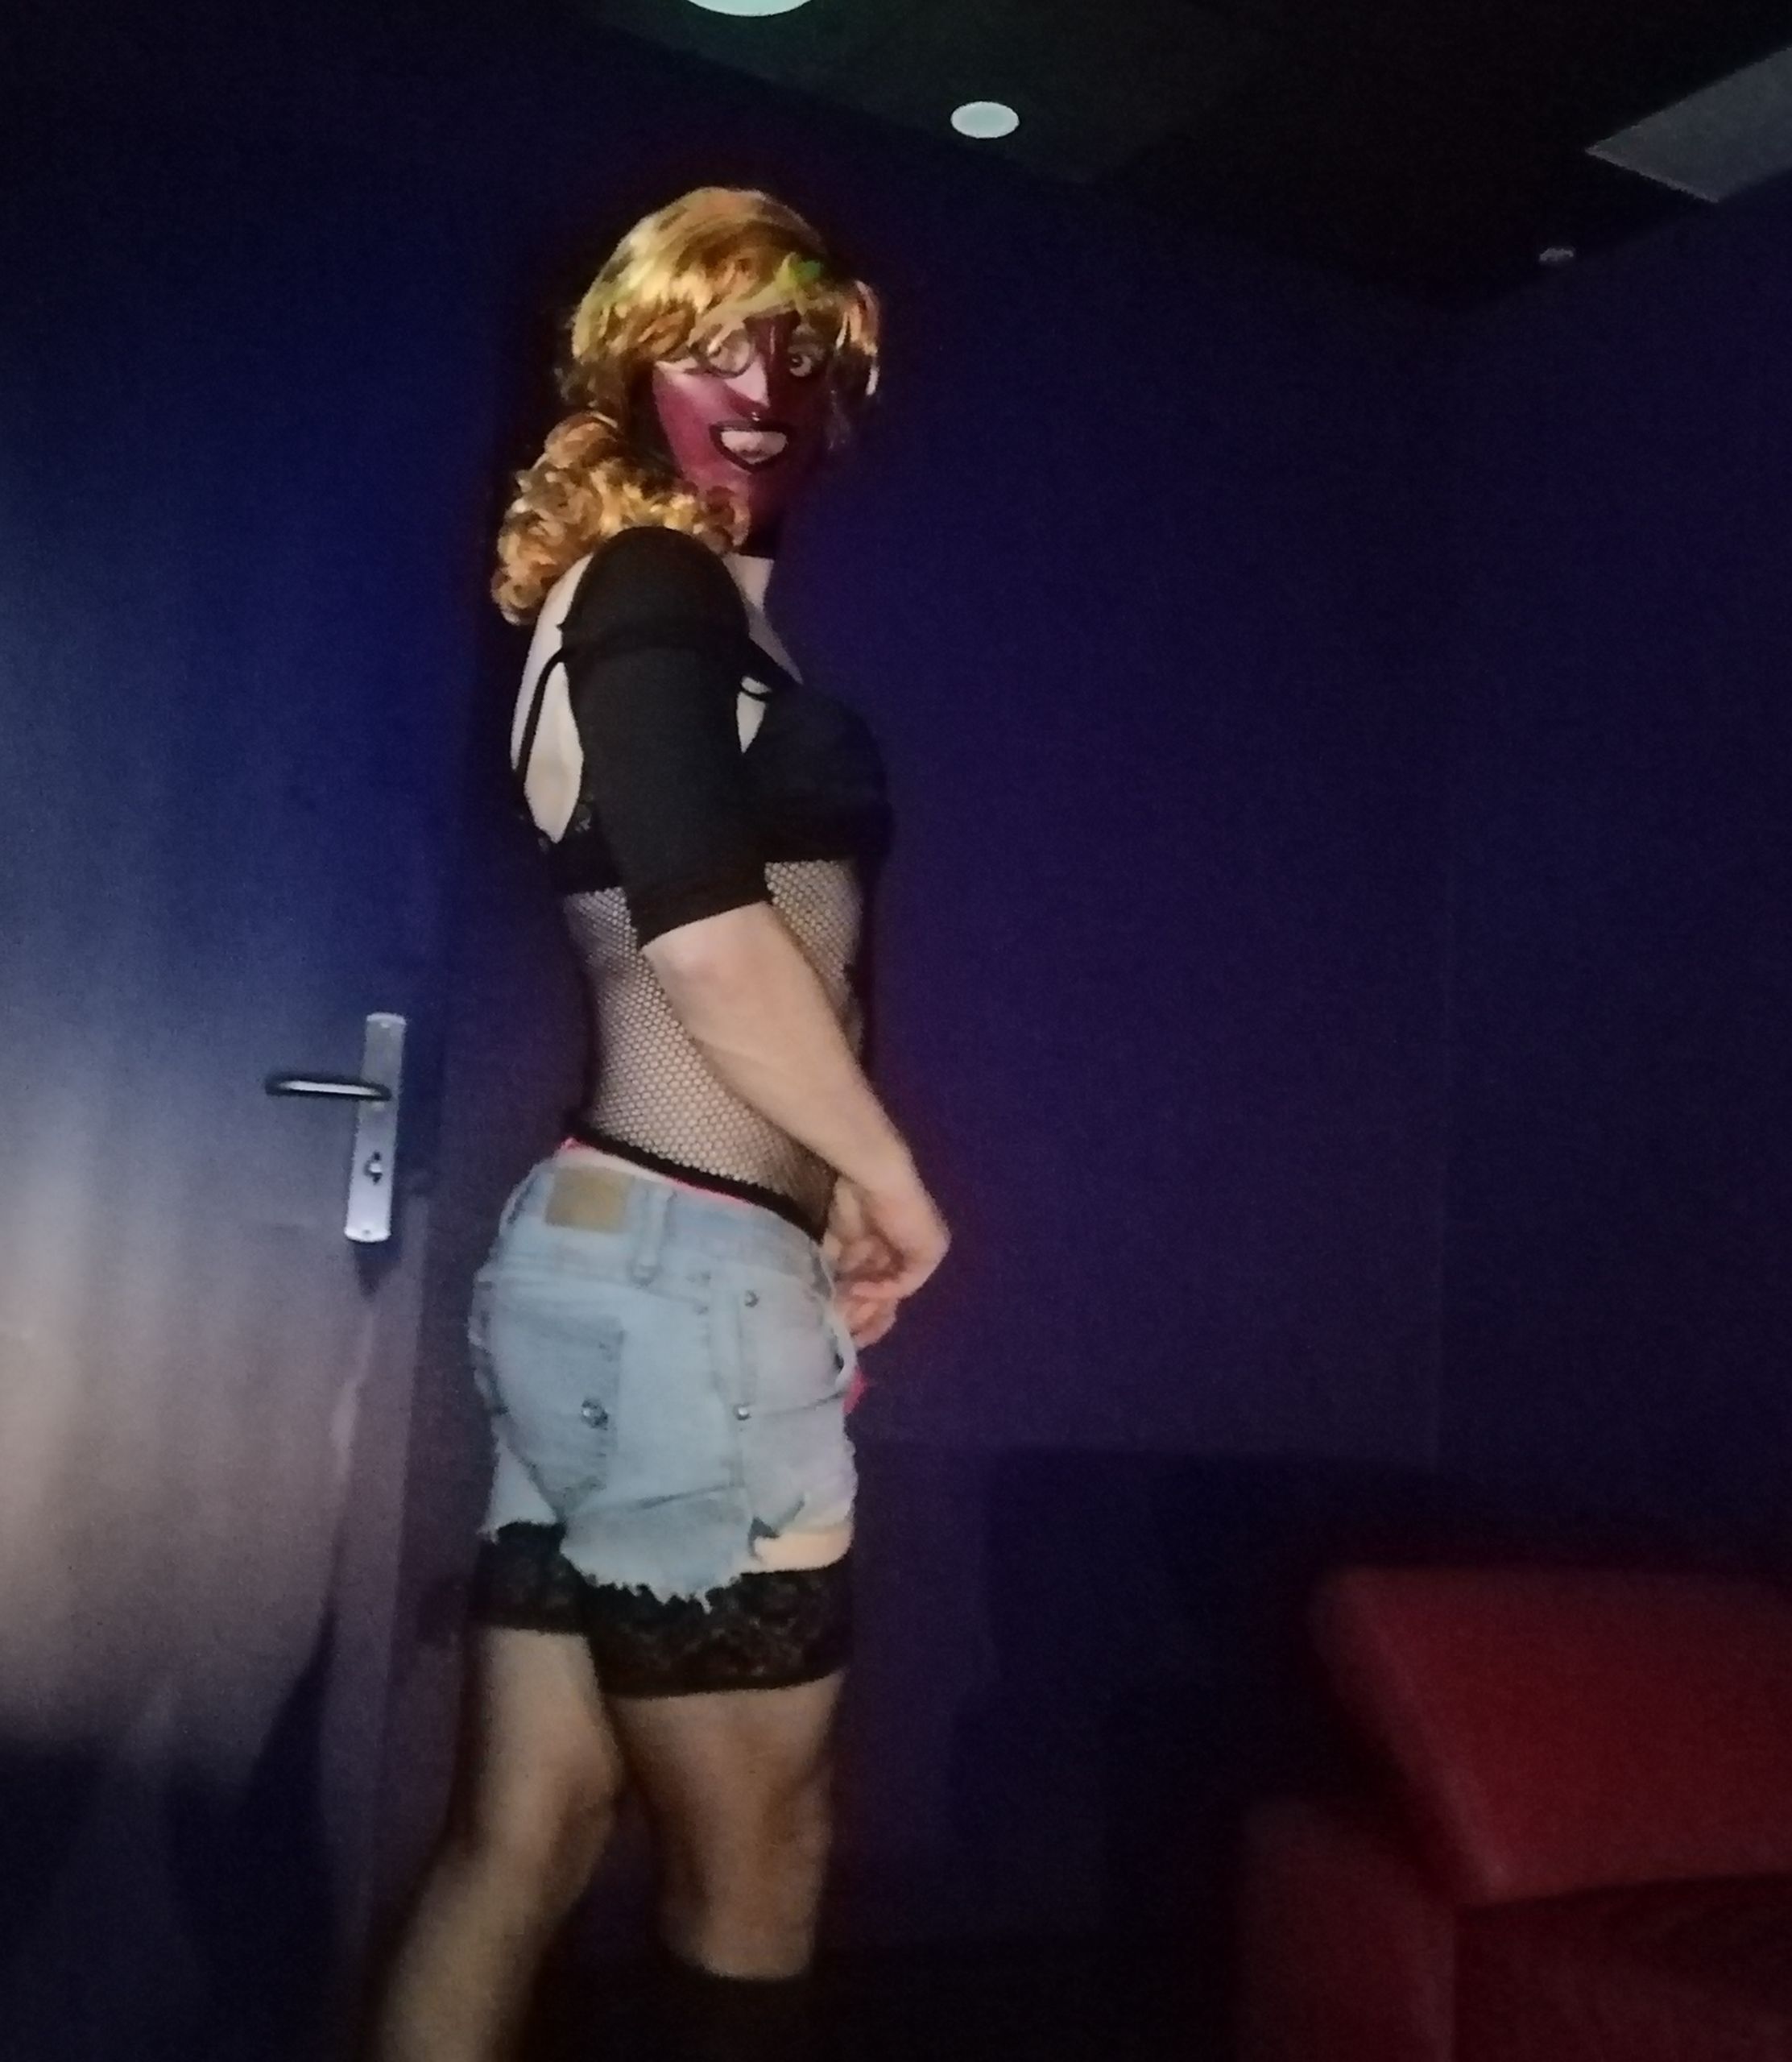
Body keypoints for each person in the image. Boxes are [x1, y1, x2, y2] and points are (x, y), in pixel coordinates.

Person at [370, 188, 949, 2062]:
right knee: (760, 1863)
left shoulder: (654, 606)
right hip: (687, 1287)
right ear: (627, 371)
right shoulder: (652, 583)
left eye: (793, 347)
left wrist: (827, 1185)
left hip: (610, 1269)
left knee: (524, 1832)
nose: (757, 386)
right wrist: (892, 1177)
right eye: (706, 347)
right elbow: (706, 942)